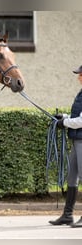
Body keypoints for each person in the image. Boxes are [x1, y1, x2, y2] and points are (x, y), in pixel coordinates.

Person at [49, 65, 82, 228]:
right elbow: (77, 116)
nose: (78, 77)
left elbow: (81, 121)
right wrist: (63, 117)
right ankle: (67, 215)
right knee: (72, 177)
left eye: (80, 75)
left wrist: (65, 123)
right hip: (77, 140)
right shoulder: (81, 94)